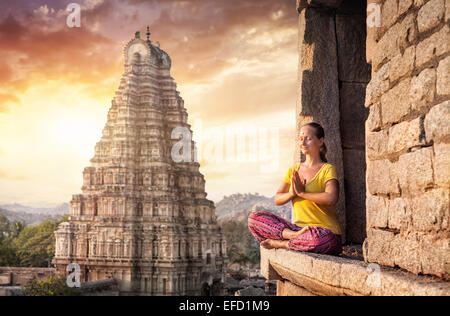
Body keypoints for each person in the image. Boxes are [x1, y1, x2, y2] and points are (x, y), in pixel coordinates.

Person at [248, 122, 342, 255]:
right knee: (254, 218)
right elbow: (278, 199)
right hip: (297, 229)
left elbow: (331, 198)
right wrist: (292, 193)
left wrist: (302, 193)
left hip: (323, 232)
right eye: (301, 138)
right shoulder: (294, 170)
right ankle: (294, 237)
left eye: (308, 138)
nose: (303, 142)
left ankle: (282, 243)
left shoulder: (327, 169)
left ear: (320, 141)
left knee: (323, 240)